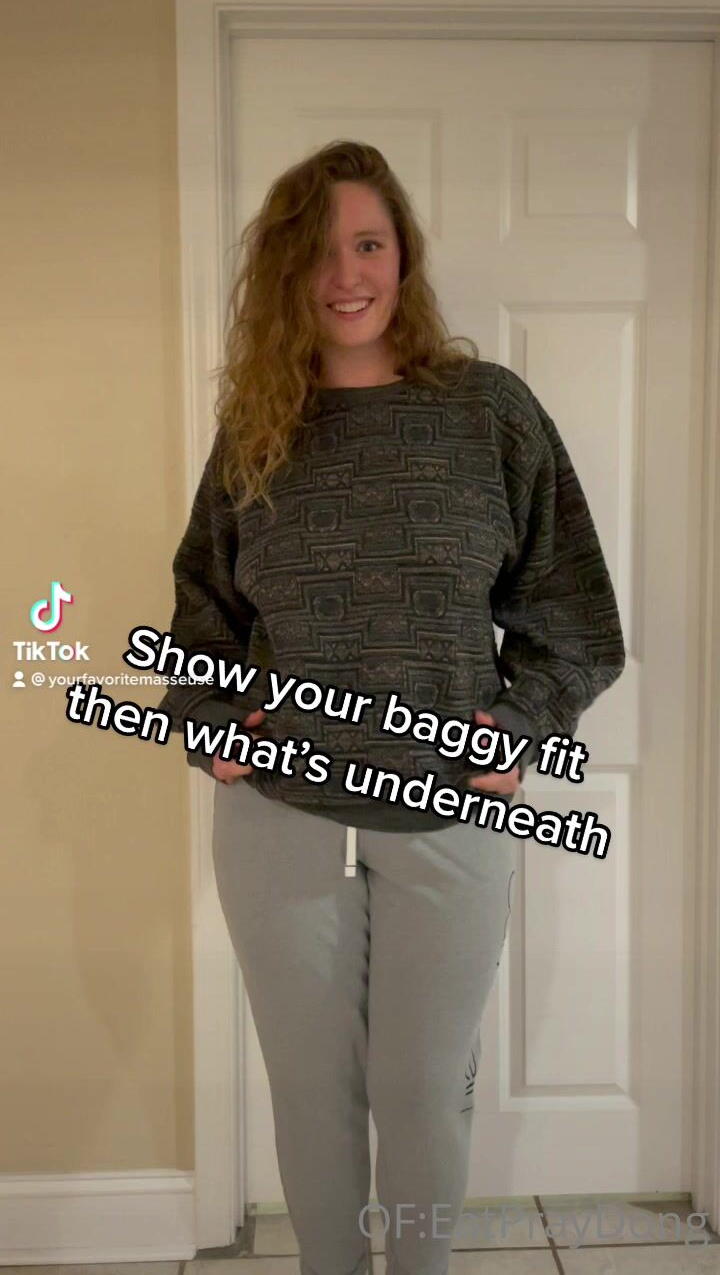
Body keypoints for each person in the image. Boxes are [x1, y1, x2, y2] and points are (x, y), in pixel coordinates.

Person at [158, 140, 625, 1275]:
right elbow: (203, 610)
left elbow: (572, 611)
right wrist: (209, 722)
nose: (345, 275)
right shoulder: (259, 426)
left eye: (368, 244)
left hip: (450, 808)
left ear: (403, 256)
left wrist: (522, 725)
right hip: (280, 815)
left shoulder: (489, 412)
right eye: (317, 252)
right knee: (312, 1094)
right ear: (286, 270)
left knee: (422, 1094)